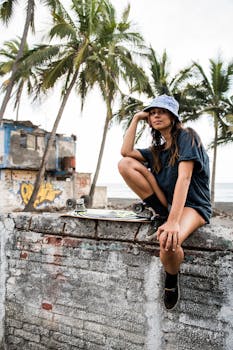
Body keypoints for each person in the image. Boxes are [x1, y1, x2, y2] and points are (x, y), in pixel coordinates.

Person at [118, 94, 212, 310]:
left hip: (194, 206)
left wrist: (173, 222)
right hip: (168, 206)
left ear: (173, 116)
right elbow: (126, 152)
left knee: (169, 241)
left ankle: (171, 279)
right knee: (125, 164)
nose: (156, 115)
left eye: (161, 111)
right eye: (152, 113)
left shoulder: (187, 136)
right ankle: (160, 213)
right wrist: (136, 118)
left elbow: (185, 178)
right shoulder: (158, 151)